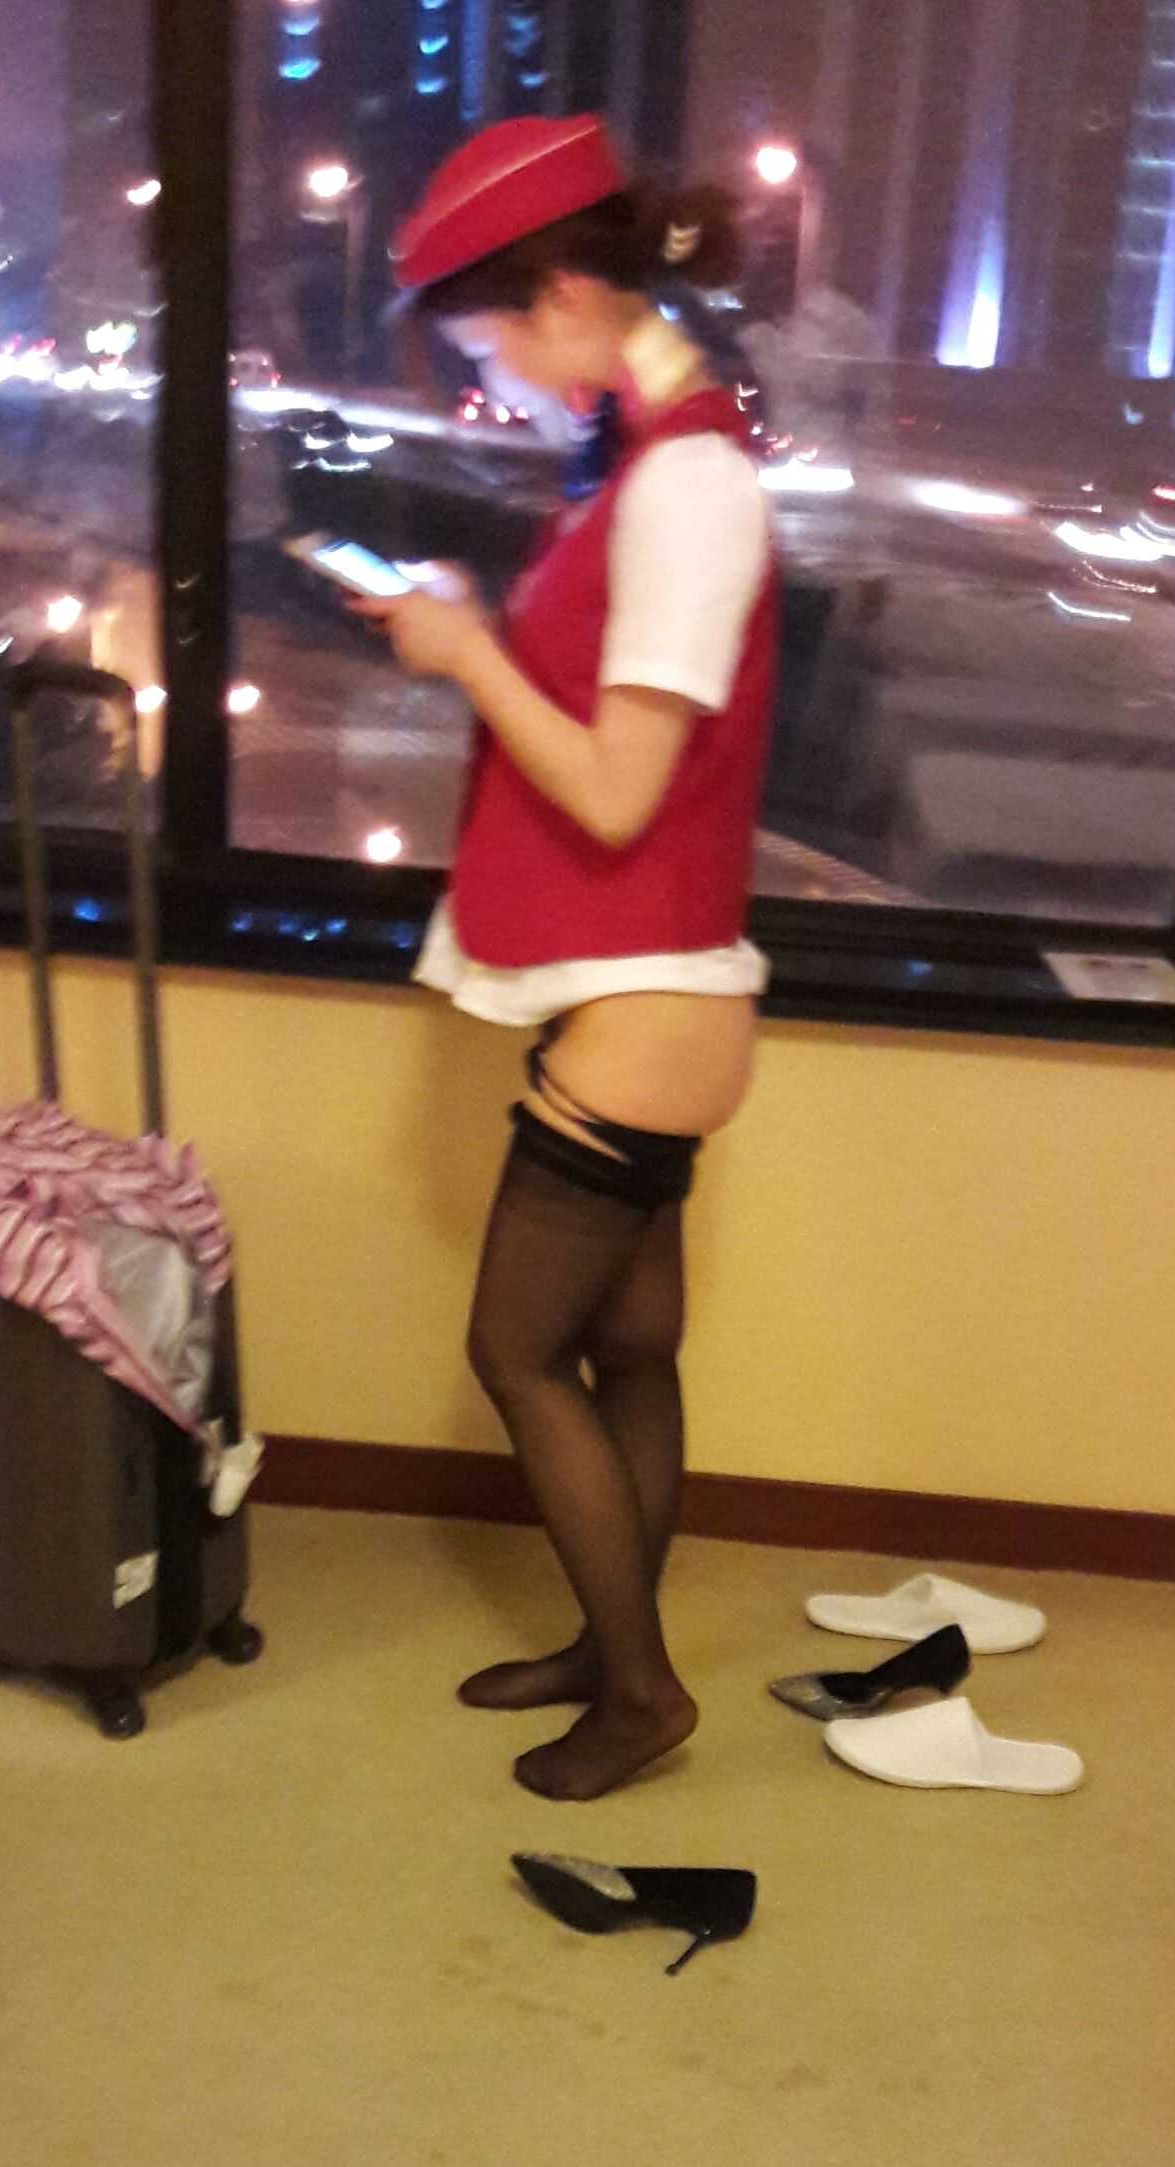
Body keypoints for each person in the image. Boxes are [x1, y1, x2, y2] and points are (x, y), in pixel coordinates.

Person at [361, 115, 780, 1804]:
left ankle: (643, 1693)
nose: (500, 390)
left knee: (517, 1355)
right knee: (629, 1355)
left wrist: (463, 655)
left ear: (563, 298)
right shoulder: (653, 455)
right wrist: (481, 629)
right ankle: (613, 1648)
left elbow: (617, 789)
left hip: (645, 1010)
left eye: (488, 353)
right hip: (658, 1000)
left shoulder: (687, 485)